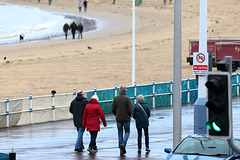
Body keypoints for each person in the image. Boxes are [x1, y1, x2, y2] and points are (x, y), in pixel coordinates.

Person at [112, 86, 133, 155]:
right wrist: (129, 115)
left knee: (120, 133)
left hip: (118, 118)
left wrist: (116, 114)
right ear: (125, 91)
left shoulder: (116, 98)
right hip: (126, 118)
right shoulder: (127, 99)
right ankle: (123, 144)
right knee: (127, 132)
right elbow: (130, 110)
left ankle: (121, 149)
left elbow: (113, 109)